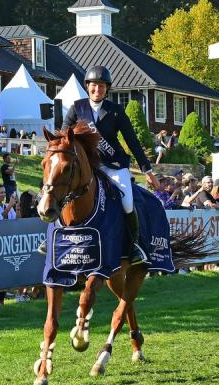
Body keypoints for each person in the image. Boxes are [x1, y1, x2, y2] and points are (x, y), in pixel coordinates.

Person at [61, 66, 159, 264]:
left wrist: (147, 169)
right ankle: (54, 238)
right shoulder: (76, 108)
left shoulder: (116, 111)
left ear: (107, 89)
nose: (98, 89)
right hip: (86, 165)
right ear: (88, 86)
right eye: (94, 85)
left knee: (127, 202)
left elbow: (132, 140)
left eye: (102, 86)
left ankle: (134, 246)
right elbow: (63, 136)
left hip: (113, 164)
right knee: (61, 193)